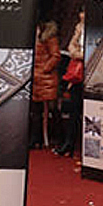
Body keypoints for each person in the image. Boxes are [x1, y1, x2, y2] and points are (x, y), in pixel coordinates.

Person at [55, 9, 84, 157]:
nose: (81, 15)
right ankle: (69, 143)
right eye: (81, 12)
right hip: (78, 75)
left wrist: (79, 55)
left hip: (92, 73)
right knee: (74, 109)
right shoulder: (79, 27)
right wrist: (78, 54)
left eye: (84, 12)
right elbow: (71, 46)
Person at [31, 20, 60, 148]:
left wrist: (44, 69)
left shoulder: (49, 37)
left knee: (52, 109)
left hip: (47, 79)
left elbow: (55, 56)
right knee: (36, 110)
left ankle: (56, 137)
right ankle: (36, 139)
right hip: (36, 78)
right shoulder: (34, 36)